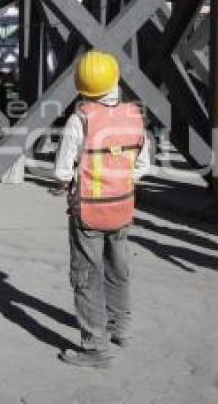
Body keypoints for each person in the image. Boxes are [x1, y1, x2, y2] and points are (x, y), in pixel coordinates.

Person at [52, 50, 150, 367]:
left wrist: (67, 182)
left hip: (88, 213)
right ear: (115, 80)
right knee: (118, 268)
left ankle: (95, 347)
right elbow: (141, 166)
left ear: (81, 84)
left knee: (86, 275)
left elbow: (62, 171)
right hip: (122, 207)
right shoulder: (135, 115)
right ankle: (120, 327)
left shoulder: (80, 119)